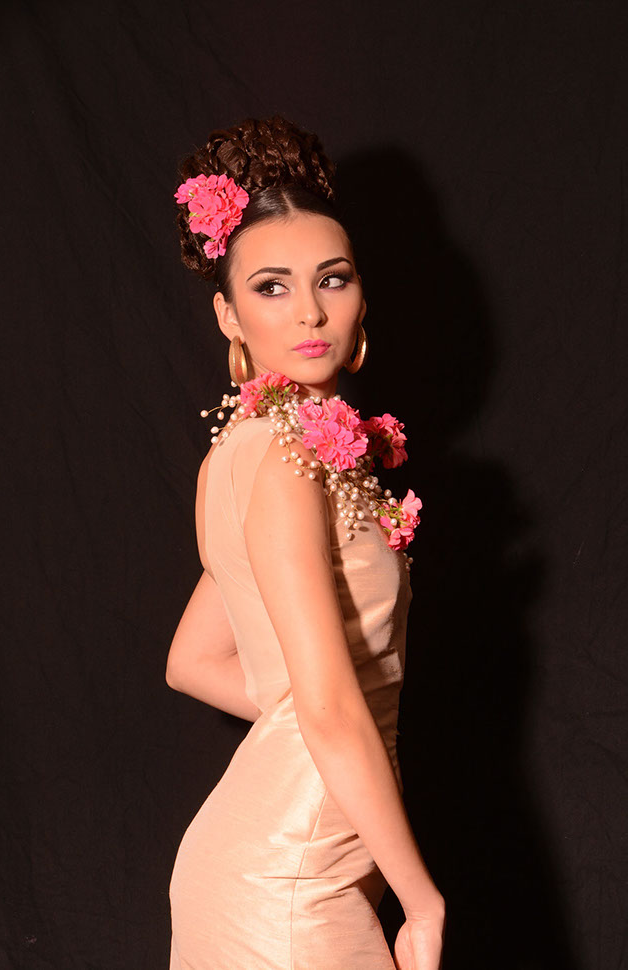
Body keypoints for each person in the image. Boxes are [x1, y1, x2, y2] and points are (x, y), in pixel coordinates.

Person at [165, 115, 445, 970]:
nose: (312, 311)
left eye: (332, 279)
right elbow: (323, 705)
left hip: (268, 859)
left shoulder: (246, 450)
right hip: (287, 888)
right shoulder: (288, 459)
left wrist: (317, 728)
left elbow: (193, 661)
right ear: (228, 314)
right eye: (272, 287)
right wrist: (423, 902)